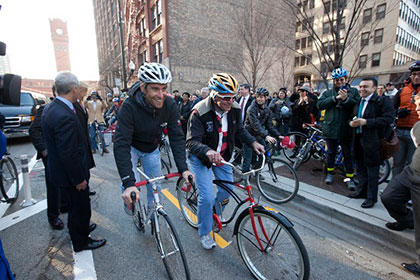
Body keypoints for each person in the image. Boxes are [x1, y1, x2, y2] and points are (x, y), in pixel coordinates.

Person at [186, 73, 264, 250]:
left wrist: (253, 142)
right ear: (214, 95)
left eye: (233, 97)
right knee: (206, 198)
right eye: (226, 98)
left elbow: (240, 131)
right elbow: (191, 142)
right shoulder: (200, 111)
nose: (230, 101)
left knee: (227, 191)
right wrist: (208, 151)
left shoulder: (235, 109)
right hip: (201, 159)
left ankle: (214, 213)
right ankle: (205, 232)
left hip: (223, 157)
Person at [113, 63, 194, 213]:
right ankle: (130, 202)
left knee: (156, 185)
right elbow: (121, 144)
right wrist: (129, 183)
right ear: (143, 88)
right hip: (131, 146)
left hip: (151, 148)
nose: (161, 94)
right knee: (133, 185)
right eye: (155, 89)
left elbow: (176, 137)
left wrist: (183, 168)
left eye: (164, 88)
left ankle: (154, 213)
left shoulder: (169, 104)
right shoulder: (128, 106)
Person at [42, 71, 106, 252]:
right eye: (78, 88)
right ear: (73, 88)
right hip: (70, 175)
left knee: (77, 207)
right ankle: (81, 241)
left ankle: (81, 230)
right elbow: (68, 152)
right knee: (79, 208)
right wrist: (78, 178)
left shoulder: (54, 108)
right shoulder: (63, 114)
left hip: (63, 172)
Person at [381, 92, 420, 277]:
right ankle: (406, 220)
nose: (417, 108)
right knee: (389, 196)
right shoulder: (417, 125)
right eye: (416, 104)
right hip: (411, 171)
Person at [348, 77, 394, 208]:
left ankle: (371, 198)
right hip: (358, 140)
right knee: (361, 168)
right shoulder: (359, 101)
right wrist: (351, 122)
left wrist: (367, 122)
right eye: (361, 86)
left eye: (365, 87)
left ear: (374, 88)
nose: (362, 89)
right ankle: (361, 192)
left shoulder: (382, 101)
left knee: (372, 171)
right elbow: (352, 117)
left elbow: (388, 119)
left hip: (374, 142)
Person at [29, 85, 67, 230]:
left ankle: (63, 205)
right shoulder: (46, 109)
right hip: (51, 154)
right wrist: (45, 150)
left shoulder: (69, 107)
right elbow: (34, 130)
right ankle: (53, 216)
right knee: (52, 184)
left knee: (66, 180)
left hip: (64, 152)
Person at [317, 67, 360, 188]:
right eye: (336, 80)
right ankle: (329, 173)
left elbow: (357, 105)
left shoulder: (354, 92)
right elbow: (320, 104)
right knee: (331, 153)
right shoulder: (328, 93)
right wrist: (334, 99)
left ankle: (349, 177)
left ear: (345, 79)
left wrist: (346, 99)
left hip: (347, 129)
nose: (339, 82)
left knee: (348, 155)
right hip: (331, 129)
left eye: (341, 80)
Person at [242, 87, 283, 173]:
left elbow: (269, 125)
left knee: (264, 156)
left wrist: (278, 135)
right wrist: (266, 136)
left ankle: (255, 172)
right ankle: (245, 178)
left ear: (266, 97)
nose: (259, 99)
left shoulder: (267, 110)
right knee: (247, 159)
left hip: (259, 135)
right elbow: (255, 125)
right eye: (258, 97)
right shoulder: (251, 109)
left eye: (261, 97)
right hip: (249, 135)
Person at [392, 61, 420, 176]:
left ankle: (408, 192)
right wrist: (398, 113)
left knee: (412, 165)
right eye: (414, 74)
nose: (417, 77)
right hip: (400, 131)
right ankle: (394, 190)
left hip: (416, 134)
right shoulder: (402, 91)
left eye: (419, 74)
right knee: (397, 163)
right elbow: (391, 110)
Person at [74, 82, 96, 196]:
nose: (85, 93)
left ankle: (86, 188)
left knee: (86, 167)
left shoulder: (81, 103)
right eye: (84, 91)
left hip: (84, 137)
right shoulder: (74, 104)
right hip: (81, 139)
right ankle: (83, 188)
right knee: (82, 166)